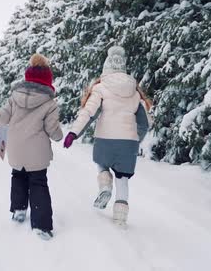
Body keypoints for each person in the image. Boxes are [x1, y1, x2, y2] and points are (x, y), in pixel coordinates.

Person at [63, 46, 152, 226]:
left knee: (102, 163)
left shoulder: (101, 88)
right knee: (123, 178)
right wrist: (136, 138)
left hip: (105, 139)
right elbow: (145, 123)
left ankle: (104, 185)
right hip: (128, 143)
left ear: (106, 68)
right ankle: (120, 218)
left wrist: (74, 132)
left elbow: (89, 112)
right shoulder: (134, 93)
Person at [0, 53, 63, 240]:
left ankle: (19, 210)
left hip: (16, 148)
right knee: (38, 182)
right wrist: (59, 135)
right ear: (48, 79)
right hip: (37, 152)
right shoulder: (50, 103)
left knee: (18, 176)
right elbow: (52, 129)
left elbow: (2, 118)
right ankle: (42, 226)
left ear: (27, 76)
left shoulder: (15, 96)